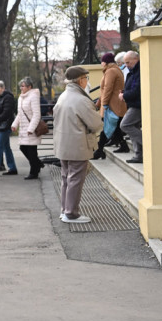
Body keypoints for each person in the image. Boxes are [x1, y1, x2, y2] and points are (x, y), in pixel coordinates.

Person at [53, 66, 103, 223]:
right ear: (81, 80)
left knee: (66, 178)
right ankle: (71, 213)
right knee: (75, 179)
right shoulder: (81, 99)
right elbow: (96, 124)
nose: (87, 81)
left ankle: (65, 210)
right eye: (86, 78)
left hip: (63, 144)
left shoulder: (63, 96)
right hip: (78, 144)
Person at [94, 52, 128, 159]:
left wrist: (104, 104)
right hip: (116, 104)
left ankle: (99, 150)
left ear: (105, 62)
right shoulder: (115, 70)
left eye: (102, 61)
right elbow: (105, 90)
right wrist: (99, 102)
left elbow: (108, 89)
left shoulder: (111, 71)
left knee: (108, 126)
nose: (101, 63)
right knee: (115, 126)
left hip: (112, 105)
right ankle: (123, 145)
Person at [12, 77, 44, 180]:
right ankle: (38, 164)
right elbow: (20, 114)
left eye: (23, 86)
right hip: (24, 128)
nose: (21, 88)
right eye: (20, 86)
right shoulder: (21, 97)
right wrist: (14, 124)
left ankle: (34, 171)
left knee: (31, 151)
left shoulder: (33, 96)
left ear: (29, 87)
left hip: (31, 128)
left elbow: (36, 114)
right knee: (23, 148)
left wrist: (31, 128)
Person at [119, 50, 143, 163]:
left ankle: (147, 144)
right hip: (133, 103)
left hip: (137, 104)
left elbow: (137, 90)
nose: (126, 65)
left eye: (128, 62)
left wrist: (124, 95)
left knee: (125, 125)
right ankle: (139, 155)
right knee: (134, 127)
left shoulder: (139, 71)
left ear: (136, 59)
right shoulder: (133, 71)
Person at [0, 80, 18, 176]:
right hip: (0, 125)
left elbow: (6, 113)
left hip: (5, 125)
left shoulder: (8, 98)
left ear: (3, 88)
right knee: (6, 147)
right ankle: (12, 168)